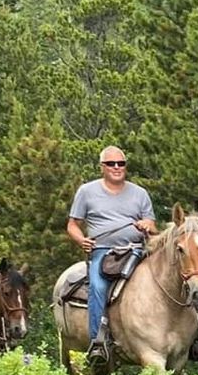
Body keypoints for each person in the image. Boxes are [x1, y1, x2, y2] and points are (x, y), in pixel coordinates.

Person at [66, 145, 158, 363]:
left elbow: (153, 226)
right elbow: (72, 225)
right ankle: (98, 342)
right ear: (102, 167)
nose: (117, 167)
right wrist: (81, 240)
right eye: (111, 164)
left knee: (171, 277)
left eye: (121, 163)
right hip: (104, 252)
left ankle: (194, 336)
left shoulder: (139, 193)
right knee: (98, 286)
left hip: (137, 249)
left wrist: (147, 224)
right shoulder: (86, 192)